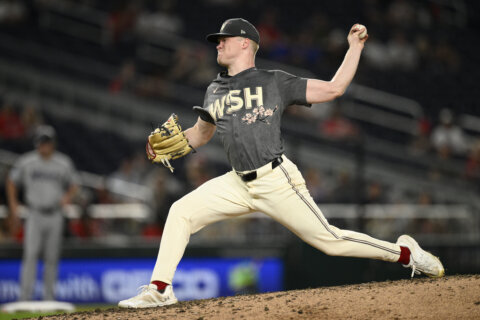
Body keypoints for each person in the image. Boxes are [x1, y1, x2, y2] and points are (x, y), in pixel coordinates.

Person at [119, 18, 444, 308]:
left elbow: (334, 88)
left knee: (331, 241)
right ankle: (160, 290)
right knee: (181, 212)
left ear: (245, 43)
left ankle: (406, 253)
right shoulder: (215, 89)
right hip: (236, 182)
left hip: (275, 179)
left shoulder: (274, 81)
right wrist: (164, 146)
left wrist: (354, 47)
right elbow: (200, 135)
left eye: (224, 39)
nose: (218, 44)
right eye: (217, 40)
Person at [6, 125, 78, 301]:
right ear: (36, 143)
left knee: (52, 258)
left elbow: (75, 184)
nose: (44, 146)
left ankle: (49, 298)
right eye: (41, 142)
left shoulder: (63, 162)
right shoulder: (27, 161)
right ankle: (24, 298)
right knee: (30, 256)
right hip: (35, 213)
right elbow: (11, 181)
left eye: (47, 142)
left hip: (55, 214)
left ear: (53, 143)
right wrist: (14, 204)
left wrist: (67, 197)